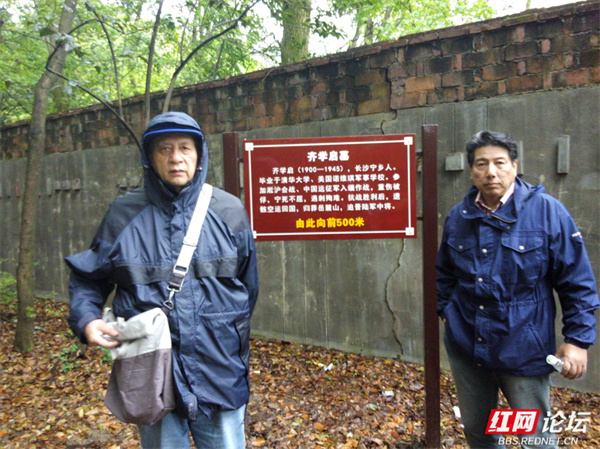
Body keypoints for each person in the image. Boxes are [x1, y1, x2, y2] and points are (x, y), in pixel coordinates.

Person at [66, 111, 259, 449]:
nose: (176, 158)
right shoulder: (123, 214)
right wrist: (87, 319)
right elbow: (88, 277)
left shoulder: (228, 211)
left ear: (199, 154)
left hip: (219, 369)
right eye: (164, 149)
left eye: (185, 148)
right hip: (151, 370)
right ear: (149, 158)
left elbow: (249, 287)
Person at [436, 130, 599, 449]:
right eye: (481, 164)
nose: (491, 172)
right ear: (471, 170)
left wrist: (578, 340)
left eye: (499, 162)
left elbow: (577, 282)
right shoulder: (459, 216)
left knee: (535, 436)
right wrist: (446, 311)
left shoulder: (547, 213)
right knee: (479, 430)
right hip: (467, 342)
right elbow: (445, 273)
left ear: (514, 165)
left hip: (524, 342)